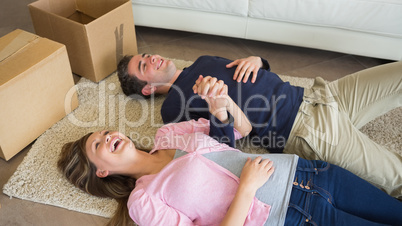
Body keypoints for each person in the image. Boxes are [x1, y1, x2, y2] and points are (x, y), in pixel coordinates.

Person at [58, 78, 402, 226]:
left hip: (311, 172)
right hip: (294, 216)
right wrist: (247, 188)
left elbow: (241, 130)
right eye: (98, 144)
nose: (108, 136)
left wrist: (222, 105)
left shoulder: (167, 135)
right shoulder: (143, 201)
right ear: (100, 171)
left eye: (105, 131)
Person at [117, 54, 402, 199]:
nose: (151, 58)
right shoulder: (172, 108)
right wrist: (221, 105)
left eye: (146, 55)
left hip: (319, 95)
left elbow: (254, 74)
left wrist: (258, 60)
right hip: (303, 128)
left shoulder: (202, 61)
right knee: (395, 178)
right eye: (143, 66)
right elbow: (220, 147)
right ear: (146, 89)